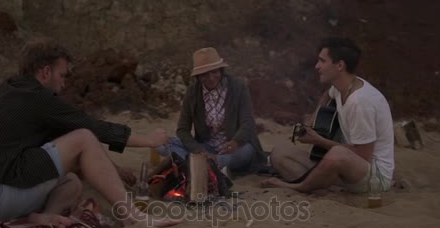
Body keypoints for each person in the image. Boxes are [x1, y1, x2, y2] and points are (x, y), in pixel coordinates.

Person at [0, 37, 179, 228]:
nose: (63, 84)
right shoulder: (38, 98)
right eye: (62, 75)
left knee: (71, 182)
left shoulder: (12, 89)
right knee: (83, 138)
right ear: (45, 72)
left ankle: (45, 216)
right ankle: (134, 216)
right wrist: (148, 140)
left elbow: (62, 143)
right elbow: (92, 128)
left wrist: (116, 169)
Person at [261, 37, 394, 193]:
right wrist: (313, 124)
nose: (317, 66)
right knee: (279, 153)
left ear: (340, 66)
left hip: (373, 176)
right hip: (344, 167)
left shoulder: (360, 103)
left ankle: (299, 186)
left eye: (322, 61)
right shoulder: (340, 87)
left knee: (338, 154)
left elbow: (363, 155)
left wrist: (320, 140)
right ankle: (325, 183)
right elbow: (327, 95)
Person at [157, 47, 266, 174]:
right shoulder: (193, 92)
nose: (211, 78)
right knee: (162, 145)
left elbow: (248, 122)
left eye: (214, 72)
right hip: (205, 147)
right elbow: (182, 129)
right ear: (198, 76)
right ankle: (210, 164)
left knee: (246, 152)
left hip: (233, 148)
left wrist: (235, 142)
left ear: (221, 70)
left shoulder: (238, 87)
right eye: (204, 74)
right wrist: (199, 151)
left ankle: (212, 164)